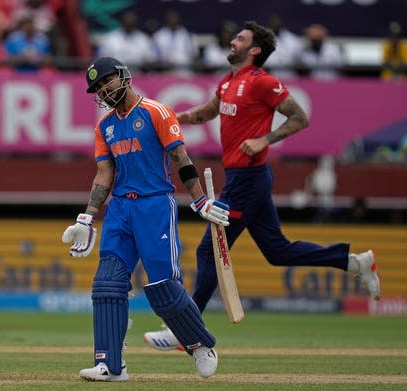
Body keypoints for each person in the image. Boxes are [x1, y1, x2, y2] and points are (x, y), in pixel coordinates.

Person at [143, 21, 381, 351]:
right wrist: (173, 118)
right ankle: (355, 262)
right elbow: (209, 112)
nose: (232, 41)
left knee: (209, 249)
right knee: (277, 251)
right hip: (243, 179)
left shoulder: (263, 82)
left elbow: (300, 117)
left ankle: (186, 328)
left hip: (249, 179)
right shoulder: (228, 81)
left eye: (240, 39)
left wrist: (264, 139)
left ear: (254, 50)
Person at [62, 56, 230, 381]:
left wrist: (199, 201)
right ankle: (111, 365)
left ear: (124, 76)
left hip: (155, 205)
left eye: (107, 81)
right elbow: (104, 173)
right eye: (97, 87)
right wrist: (87, 217)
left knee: (162, 287)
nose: (103, 89)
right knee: (107, 285)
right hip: (120, 209)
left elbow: (180, 157)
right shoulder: (104, 125)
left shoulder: (156, 111)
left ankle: (200, 344)